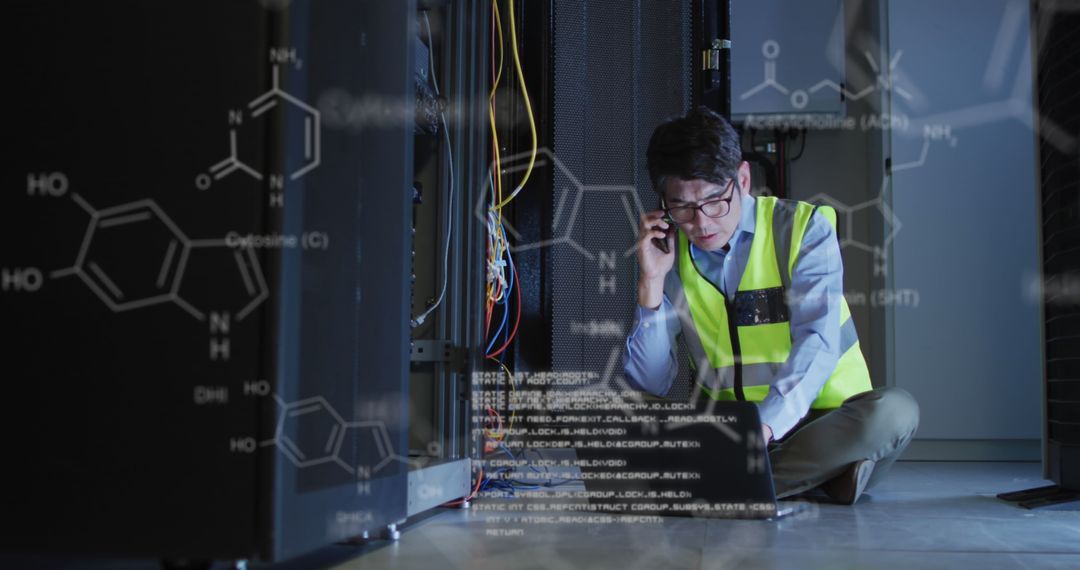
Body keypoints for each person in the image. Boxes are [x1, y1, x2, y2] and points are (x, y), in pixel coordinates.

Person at [623, 106, 919, 504]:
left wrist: (762, 430)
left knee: (895, 411)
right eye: (682, 207)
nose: (702, 222)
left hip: (827, 420)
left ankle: (718, 486)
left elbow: (818, 341)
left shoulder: (806, 228)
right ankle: (820, 477)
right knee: (629, 408)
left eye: (715, 201)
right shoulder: (671, 251)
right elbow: (650, 384)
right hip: (727, 428)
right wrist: (651, 282)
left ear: (742, 180)